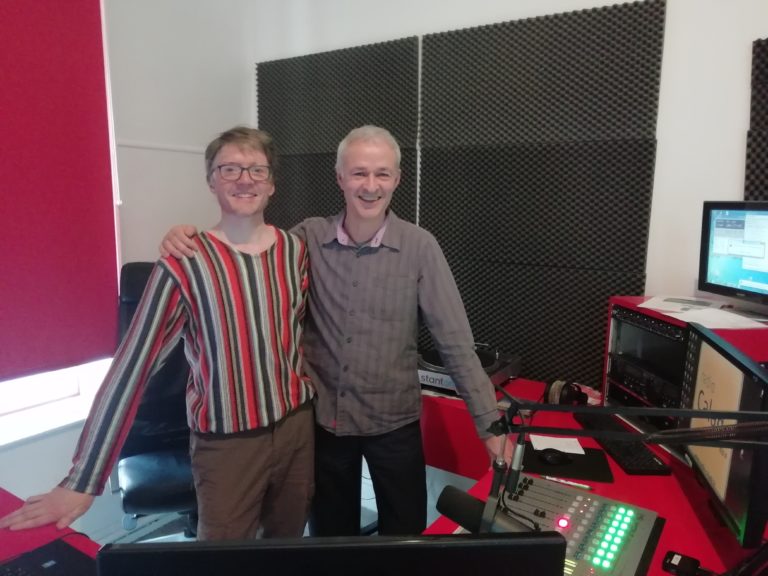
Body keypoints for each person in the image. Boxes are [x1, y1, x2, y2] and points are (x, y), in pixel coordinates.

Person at [159, 125, 510, 536]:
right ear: (340, 177)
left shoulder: (420, 247)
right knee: (330, 540)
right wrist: (189, 236)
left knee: (405, 540)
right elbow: (248, 250)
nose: (370, 186)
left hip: (394, 424)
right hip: (325, 425)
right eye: (359, 173)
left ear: (397, 179)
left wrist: (490, 426)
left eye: (382, 174)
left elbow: (456, 345)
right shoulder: (305, 239)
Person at [0, 127, 315, 541]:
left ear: (272, 183)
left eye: (257, 169)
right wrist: (83, 480)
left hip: (296, 431)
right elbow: (132, 367)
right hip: (226, 444)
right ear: (211, 181)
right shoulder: (184, 262)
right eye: (230, 169)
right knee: (225, 560)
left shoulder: (295, 251)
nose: (244, 179)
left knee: (288, 546)